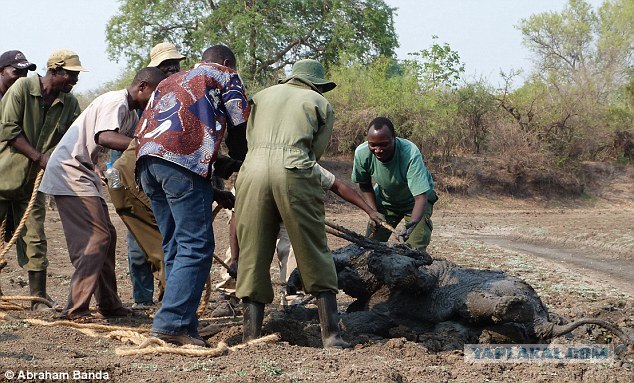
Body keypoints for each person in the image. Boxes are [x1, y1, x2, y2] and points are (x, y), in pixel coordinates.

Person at [136, 44, 249, 347]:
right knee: (196, 244)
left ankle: (181, 321)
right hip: (182, 162)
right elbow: (239, 125)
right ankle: (172, 323)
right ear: (226, 62)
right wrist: (243, 157)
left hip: (147, 162)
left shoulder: (171, 80)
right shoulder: (225, 75)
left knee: (175, 242)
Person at [234, 59, 349, 348]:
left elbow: (246, 138)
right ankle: (331, 337)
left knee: (253, 250)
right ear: (317, 85)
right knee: (312, 248)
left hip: (253, 169)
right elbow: (315, 152)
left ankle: (251, 336)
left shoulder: (260, 97)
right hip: (295, 169)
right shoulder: (319, 102)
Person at [39, 67, 166, 320]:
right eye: (155, 94)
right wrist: (146, 145)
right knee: (95, 237)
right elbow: (105, 137)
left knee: (108, 234)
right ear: (142, 86)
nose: (156, 101)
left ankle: (108, 303)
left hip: (83, 172)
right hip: (69, 171)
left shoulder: (130, 112)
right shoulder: (115, 101)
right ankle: (75, 308)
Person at [0, 49, 84, 311]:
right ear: (55, 71)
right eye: (71, 75)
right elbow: (10, 130)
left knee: (35, 237)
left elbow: (73, 139)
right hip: (3, 177)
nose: (75, 81)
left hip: (33, 186)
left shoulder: (69, 103)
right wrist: (40, 158)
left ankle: (38, 298)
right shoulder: (23, 87)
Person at [109, 42, 186, 308]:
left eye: (175, 67)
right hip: (137, 177)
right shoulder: (142, 101)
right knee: (142, 244)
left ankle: (169, 298)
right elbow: (117, 145)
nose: (171, 72)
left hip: (163, 178)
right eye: (166, 68)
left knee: (168, 239)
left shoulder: (180, 99)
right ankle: (145, 301)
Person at [352, 117, 437, 252]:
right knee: (370, 248)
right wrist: (374, 212)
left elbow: (421, 198)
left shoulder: (410, 153)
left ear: (394, 138)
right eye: (372, 145)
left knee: (414, 251)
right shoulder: (362, 153)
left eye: (384, 144)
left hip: (414, 203)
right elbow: (365, 185)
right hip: (386, 201)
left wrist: (412, 224)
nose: (378, 150)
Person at [0, 50, 37, 243]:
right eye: (16, 73)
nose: (21, 78)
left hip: (17, 176)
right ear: (1, 71)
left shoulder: (26, 101)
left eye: (25, 74)